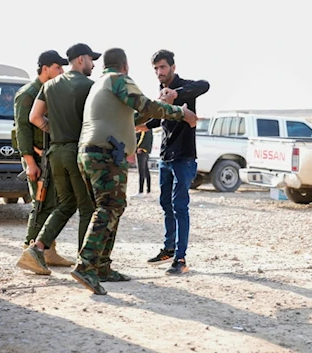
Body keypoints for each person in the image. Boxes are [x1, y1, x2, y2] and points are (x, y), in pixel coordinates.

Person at [71, 47, 199, 295]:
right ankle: (86, 265)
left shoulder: (101, 84)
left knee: (113, 206)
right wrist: (180, 113)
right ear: (125, 66)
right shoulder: (118, 80)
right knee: (108, 207)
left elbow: (136, 116)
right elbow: (145, 106)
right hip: (105, 154)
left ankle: (102, 267)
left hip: (91, 152)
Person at [16, 43, 99, 275]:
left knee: (64, 205)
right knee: (87, 207)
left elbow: (34, 117)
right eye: (92, 60)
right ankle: (86, 263)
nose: (93, 65)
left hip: (55, 153)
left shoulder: (49, 86)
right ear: (81, 59)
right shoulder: (90, 86)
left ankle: (37, 248)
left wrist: (56, 131)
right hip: (75, 152)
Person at [140, 49, 209, 275]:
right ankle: (169, 249)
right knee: (165, 204)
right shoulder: (161, 91)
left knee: (180, 207)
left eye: (163, 67)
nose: (160, 72)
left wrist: (176, 94)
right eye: (156, 69)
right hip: (165, 157)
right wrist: (140, 126)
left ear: (172, 67)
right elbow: (160, 117)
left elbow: (204, 84)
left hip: (184, 157)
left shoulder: (184, 88)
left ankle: (180, 259)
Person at [13, 50, 75, 269]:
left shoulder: (49, 91)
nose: (62, 72)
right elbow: (22, 129)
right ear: (45, 68)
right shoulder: (29, 93)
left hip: (49, 156)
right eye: (58, 67)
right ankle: (29, 251)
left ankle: (48, 251)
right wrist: (29, 161)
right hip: (37, 158)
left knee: (52, 203)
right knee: (41, 204)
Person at [130, 130, 153, 197]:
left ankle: (141, 191)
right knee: (146, 170)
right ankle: (148, 191)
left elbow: (143, 136)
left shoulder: (144, 125)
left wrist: (139, 146)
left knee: (141, 171)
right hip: (145, 150)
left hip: (141, 150)